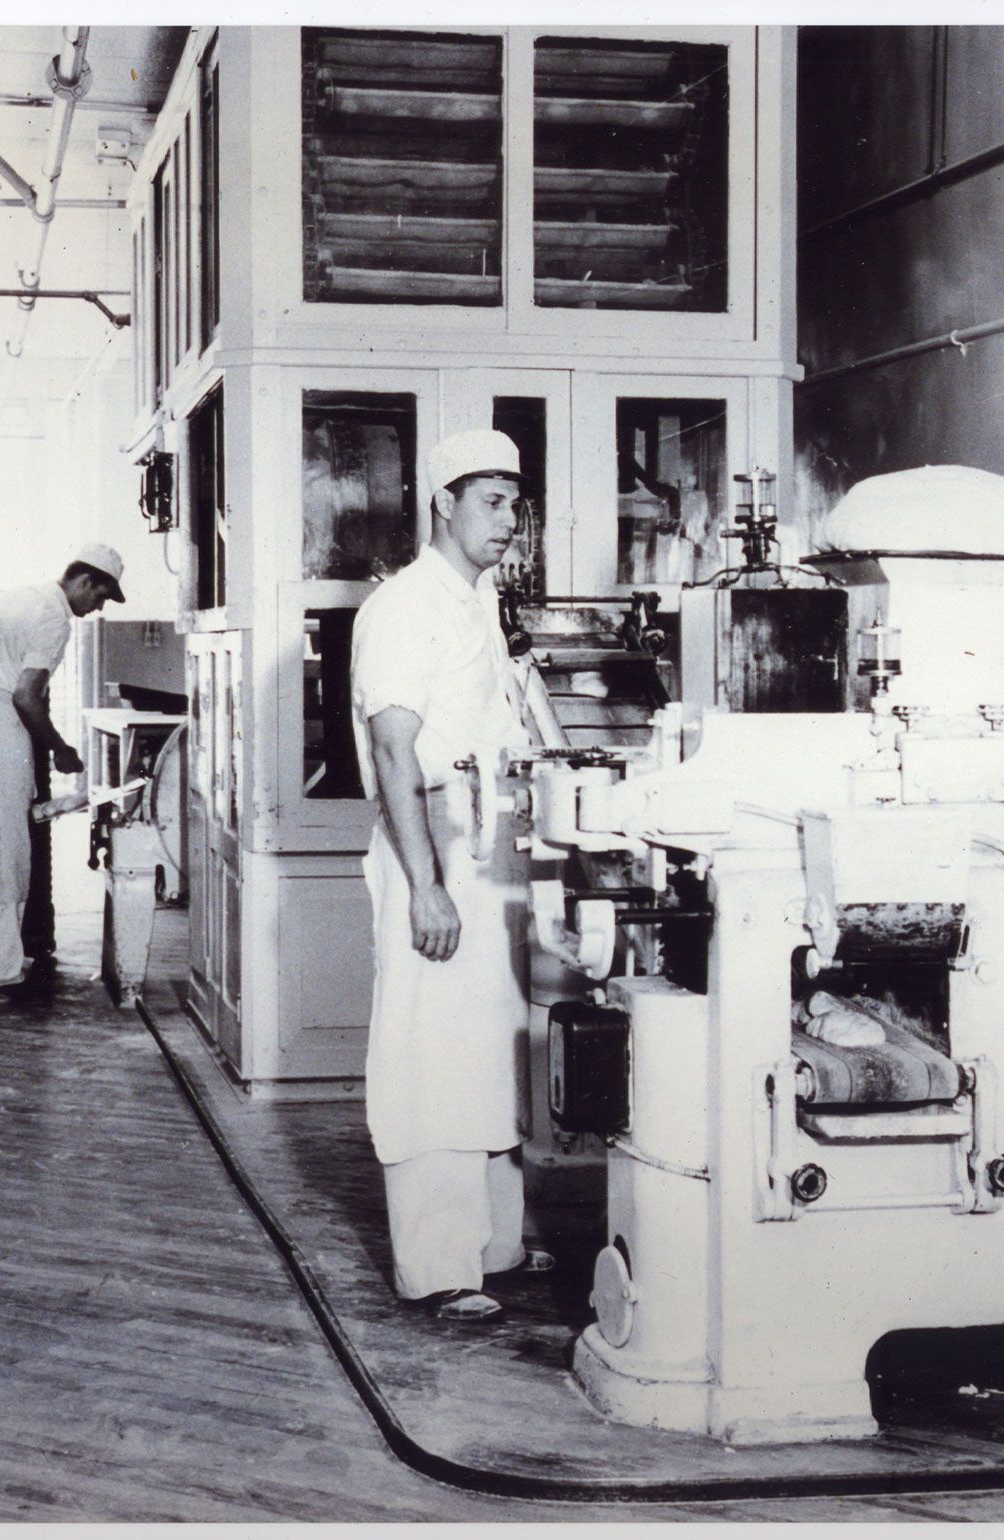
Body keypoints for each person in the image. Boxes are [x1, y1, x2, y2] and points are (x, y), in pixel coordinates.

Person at [350, 429, 554, 1321]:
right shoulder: (403, 607)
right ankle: (438, 1267)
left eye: (517, 502)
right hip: (430, 847)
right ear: (444, 502)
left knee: (486, 1048)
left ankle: (494, 1245)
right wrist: (426, 885)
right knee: (431, 1053)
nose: (510, 520)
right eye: (492, 501)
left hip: (487, 844)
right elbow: (394, 753)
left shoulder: (476, 602)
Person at [0, 542, 124, 1004]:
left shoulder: (17, 596)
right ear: (85, 582)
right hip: (2, 728)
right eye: (100, 596)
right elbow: (26, 696)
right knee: (6, 857)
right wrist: (60, 749)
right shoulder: (54, 617)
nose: (96, 608)